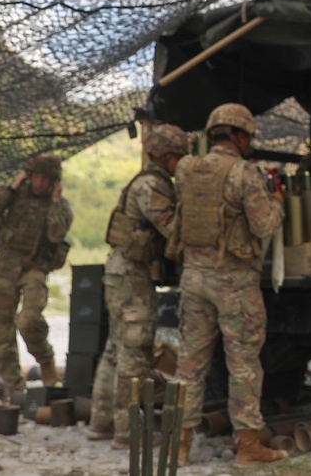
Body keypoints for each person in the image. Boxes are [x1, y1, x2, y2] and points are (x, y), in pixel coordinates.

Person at [169, 103, 287, 468]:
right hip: (233, 282)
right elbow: (265, 226)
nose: (249, 142)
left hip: (193, 277)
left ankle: (180, 444)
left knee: (189, 364)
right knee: (243, 364)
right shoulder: (243, 173)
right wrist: (277, 202)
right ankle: (249, 446)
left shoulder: (187, 168)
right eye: (248, 136)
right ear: (237, 135)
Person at [87, 123, 192, 449]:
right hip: (132, 278)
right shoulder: (151, 187)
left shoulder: (147, 182)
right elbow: (173, 229)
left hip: (122, 274)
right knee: (135, 352)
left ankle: (100, 422)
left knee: (114, 351)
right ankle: (128, 433)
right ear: (170, 157)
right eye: (180, 159)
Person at [0, 152, 73, 399]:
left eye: (46, 179)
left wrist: (54, 202)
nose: (40, 183)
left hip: (35, 268)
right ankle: (14, 388)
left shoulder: (61, 206)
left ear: (55, 182)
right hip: (5, 267)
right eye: (36, 177)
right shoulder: (13, 196)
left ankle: (45, 360)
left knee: (29, 320)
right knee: (0, 330)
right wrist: (12, 188)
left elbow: (56, 235)